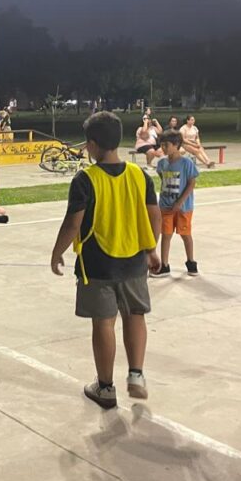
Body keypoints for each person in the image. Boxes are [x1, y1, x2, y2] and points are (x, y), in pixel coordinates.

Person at [50, 112, 162, 409]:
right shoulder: (139, 175)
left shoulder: (85, 179)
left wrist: (57, 252)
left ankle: (105, 387)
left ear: (92, 144)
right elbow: (154, 216)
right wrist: (151, 248)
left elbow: (73, 223)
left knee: (104, 323)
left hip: (97, 263)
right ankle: (136, 375)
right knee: (135, 315)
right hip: (135, 260)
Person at [152, 130, 199, 277]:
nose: (163, 148)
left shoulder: (186, 163)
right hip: (166, 206)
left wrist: (180, 201)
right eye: (161, 145)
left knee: (185, 234)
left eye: (166, 145)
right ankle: (164, 265)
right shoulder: (162, 163)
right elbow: (163, 179)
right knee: (166, 234)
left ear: (176, 144)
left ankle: (191, 262)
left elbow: (191, 183)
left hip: (183, 207)